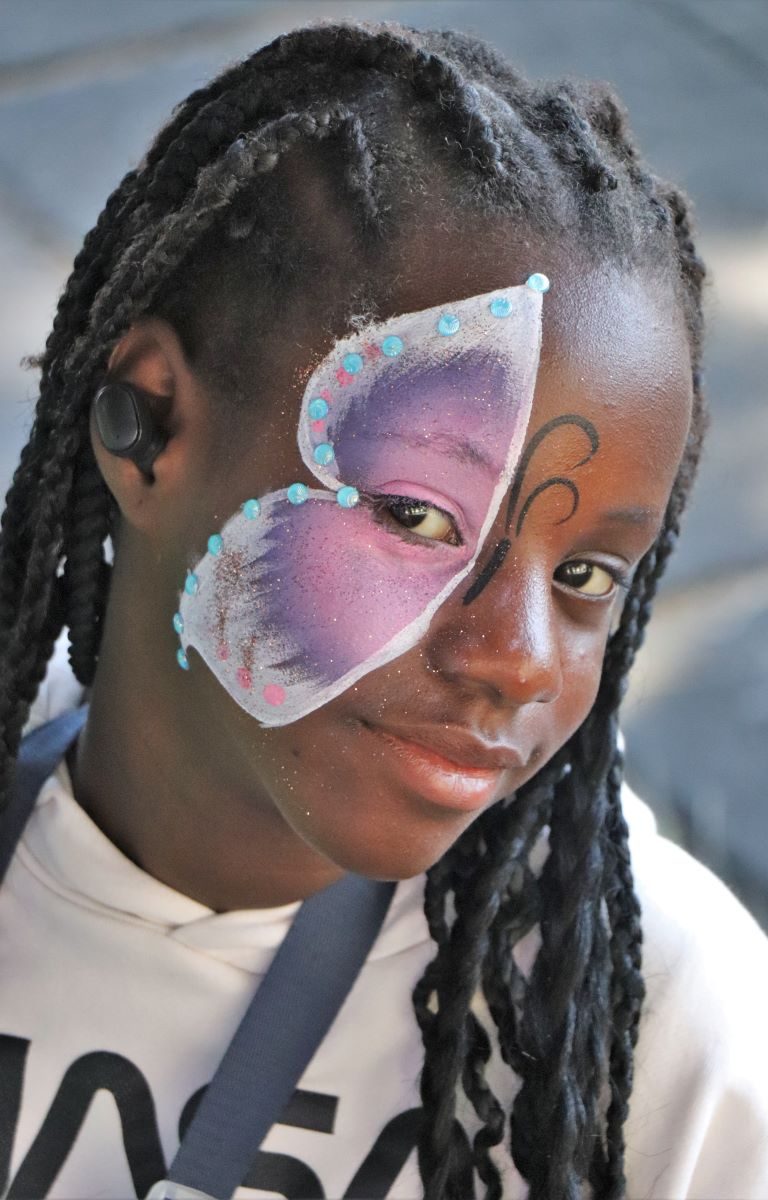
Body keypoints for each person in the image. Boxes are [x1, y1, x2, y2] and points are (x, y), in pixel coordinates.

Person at [0, 18, 766, 1200]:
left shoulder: (669, 1033)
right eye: (414, 515)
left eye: (584, 577)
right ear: (150, 425)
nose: (517, 659)